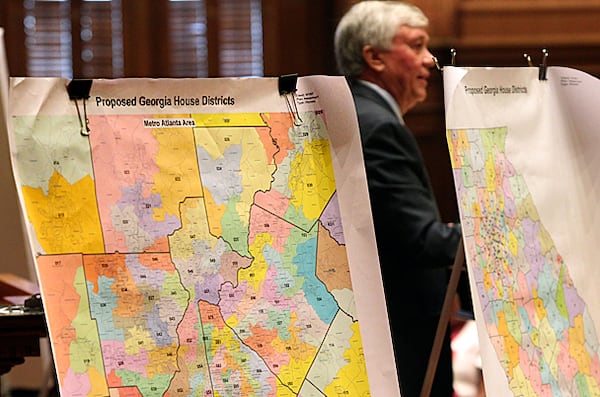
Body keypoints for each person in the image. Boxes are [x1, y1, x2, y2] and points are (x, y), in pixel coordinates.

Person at [334, 2, 462, 396]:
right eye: (417, 46)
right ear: (374, 56)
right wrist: (492, 226)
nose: (430, 60)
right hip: (401, 337)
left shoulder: (351, 111)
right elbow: (420, 241)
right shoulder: (379, 126)